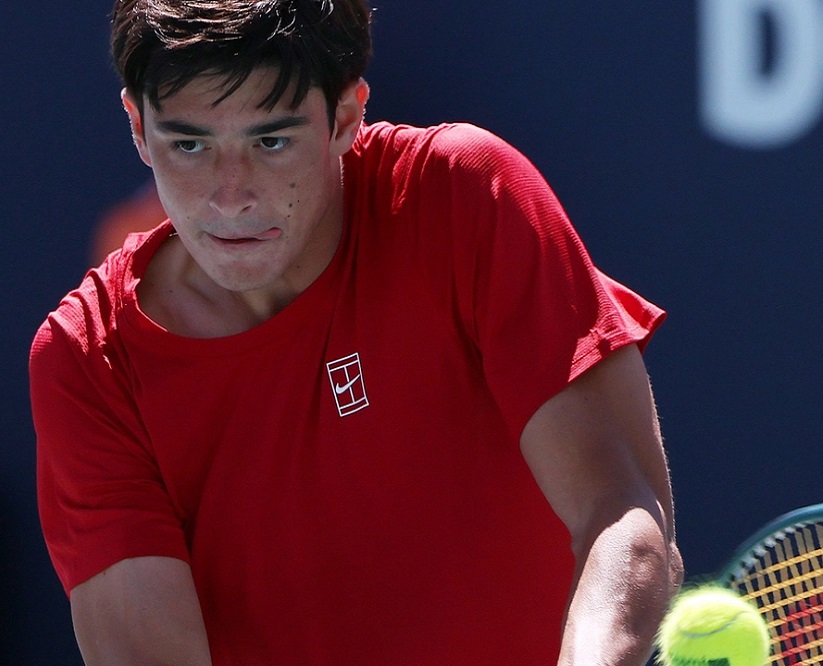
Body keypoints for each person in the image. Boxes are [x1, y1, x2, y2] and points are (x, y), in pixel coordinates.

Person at [29, 1, 683, 663]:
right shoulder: (87, 361)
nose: (231, 197)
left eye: (271, 141)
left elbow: (623, 513)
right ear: (139, 127)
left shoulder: (464, 195)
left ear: (345, 115)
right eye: (190, 145)